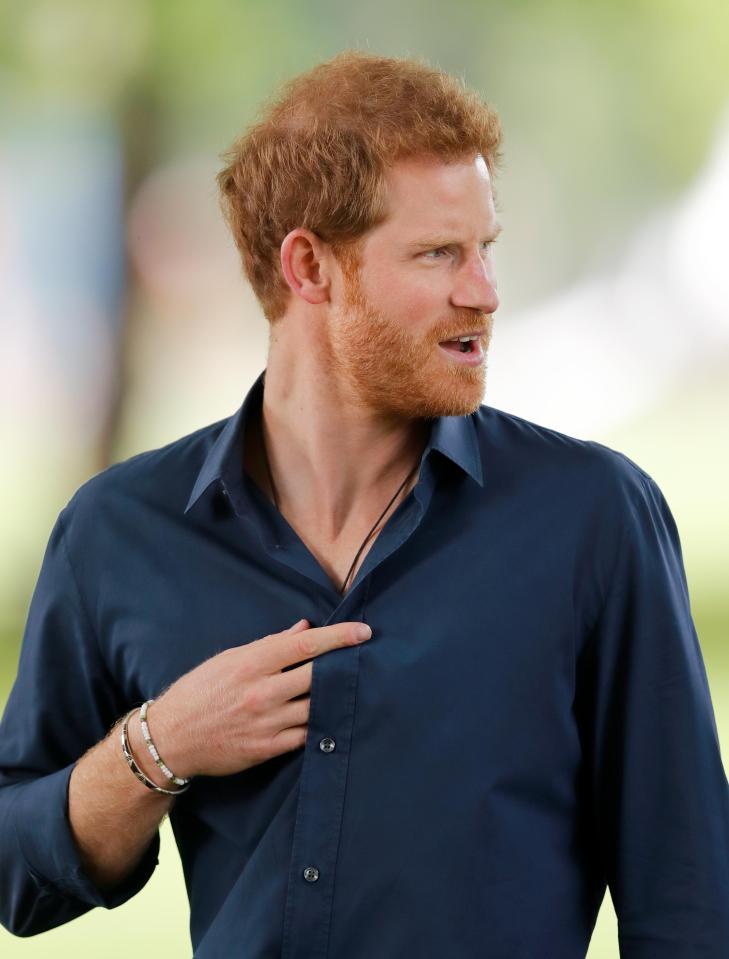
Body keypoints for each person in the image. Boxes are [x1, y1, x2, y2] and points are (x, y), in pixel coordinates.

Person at [1, 49, 728, 958]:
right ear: (309, 267)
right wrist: (161, 743)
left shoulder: (594, 519)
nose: (484, 290)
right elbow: (17, 877)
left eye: (485, 248)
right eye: (438, 253)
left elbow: (692, 906)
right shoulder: (119, 532)